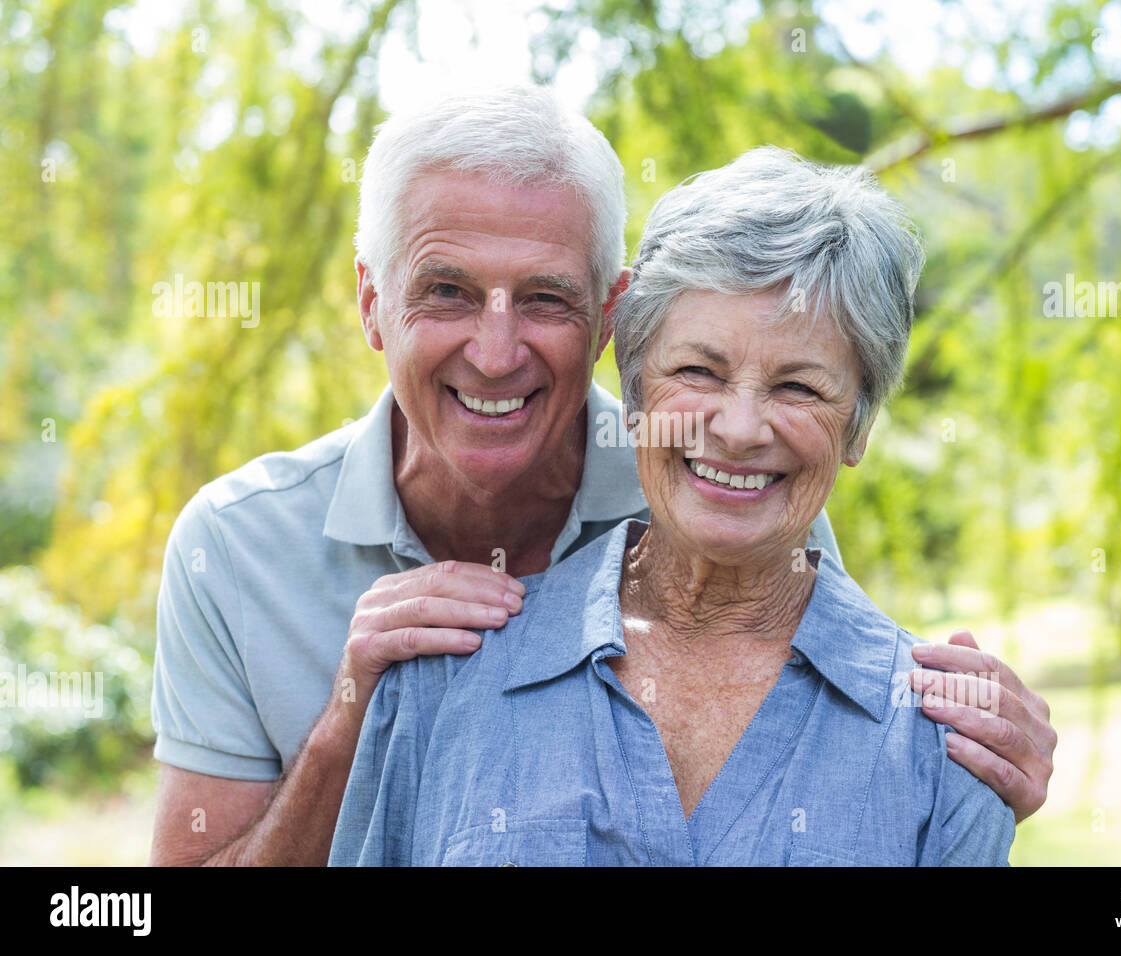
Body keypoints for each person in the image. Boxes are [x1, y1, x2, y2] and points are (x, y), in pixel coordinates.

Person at [150, 87, 1055, 866]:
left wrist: (982, 751)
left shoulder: (736, 498)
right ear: (372, 304)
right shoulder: (234, 548)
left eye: (545, 297)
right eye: (448, 291)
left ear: (608, 323)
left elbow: (827, 720)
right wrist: (353, 718)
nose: (497, 352)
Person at [329, 146, 1013, 865]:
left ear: (858, 427)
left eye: (800, 388)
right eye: (697, 371)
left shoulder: (949, 742)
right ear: (634, 396)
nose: (741, 429)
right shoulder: (439, 681)